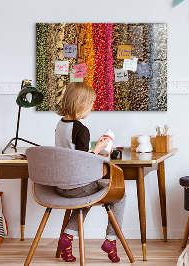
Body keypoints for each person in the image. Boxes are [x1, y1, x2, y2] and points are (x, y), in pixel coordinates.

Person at [55, 82, 125, 263]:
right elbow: (82, 160)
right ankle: (111, 240)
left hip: (61, 186)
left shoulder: (60, 125)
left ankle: (67, 238)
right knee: (120, 194)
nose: (91, 109)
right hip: (78, 186)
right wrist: (100, 148)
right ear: (81, 105)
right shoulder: (81, 129)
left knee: (85, 198)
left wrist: (95, 150)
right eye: (90, 105)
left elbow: (72, 154)